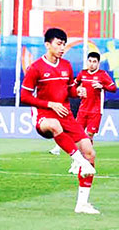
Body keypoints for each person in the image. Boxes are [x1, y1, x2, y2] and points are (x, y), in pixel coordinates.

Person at [20, 28, 99, 214]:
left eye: (64, 43)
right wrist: (50, 104)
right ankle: (79, 161)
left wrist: (78, 91)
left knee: (90, 152)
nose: (62, 47)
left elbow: (69, 89)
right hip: (44, 116)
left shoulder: (67, 65)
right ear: (47, 45)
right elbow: (24, 95)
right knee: (55, 126)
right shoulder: (36, 68)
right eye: (58, 43)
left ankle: (82, 204)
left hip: (66, 114)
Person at [58, 51, 117, 174]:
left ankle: (86, 161)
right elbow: (73, 86)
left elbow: (113, 88)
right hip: (82, 110)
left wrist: (102, 86)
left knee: (89, 136)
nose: (92, 64)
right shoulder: (83, 74)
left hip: (95, 111)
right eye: (90, 61)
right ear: (87, 62)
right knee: (77, 137)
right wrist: (77, 89)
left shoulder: (102, 75)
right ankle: (76, 162)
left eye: (94, 62)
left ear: (98, 63)